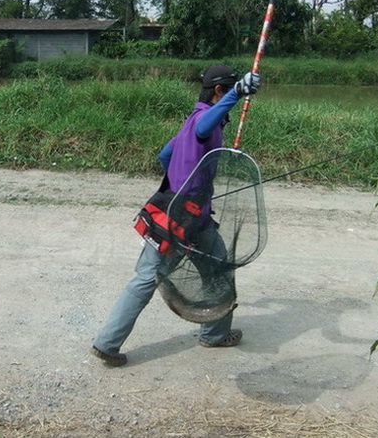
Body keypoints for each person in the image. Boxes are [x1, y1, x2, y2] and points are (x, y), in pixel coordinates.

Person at [91, 64, 260, 367]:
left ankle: (107, 342)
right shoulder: (202, 121)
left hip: (171, 211)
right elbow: (203, 127)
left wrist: (186, 181)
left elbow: (165, 155)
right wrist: (237, 93)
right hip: (190, 220)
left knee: (147, 277)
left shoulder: (190, 119)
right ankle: (214, 334)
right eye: (228, 89)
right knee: (219, 271)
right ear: (219, 91)